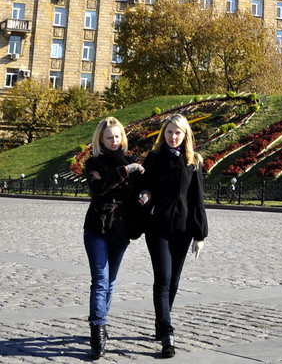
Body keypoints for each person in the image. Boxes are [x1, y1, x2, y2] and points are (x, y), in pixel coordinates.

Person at [137, 113, 208, 358]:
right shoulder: (154, 158)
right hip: (157, 227)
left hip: (183, 229)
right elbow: (144, 185)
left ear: (185, 135)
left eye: (178, 132)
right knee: (163, 280)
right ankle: (167, 334)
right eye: (169, 132)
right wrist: (145, 195)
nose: (173, 137)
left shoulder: (193, 161)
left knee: (174, 281)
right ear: (163, 134)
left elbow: (197, 199)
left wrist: (200, 234)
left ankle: (161, 320)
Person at [82, 116, 145, 360]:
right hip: (97, 228)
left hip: (121, 230)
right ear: (101, 139)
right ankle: (97, 330)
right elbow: (98, 188)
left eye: (117, 136)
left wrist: (144, 196)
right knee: (99, 279)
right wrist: (124, 171)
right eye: (109, 137)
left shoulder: (131, 161)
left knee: (110, 282)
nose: (114, 140)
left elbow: (140, 189)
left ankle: (102, 320)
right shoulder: (93, 163)